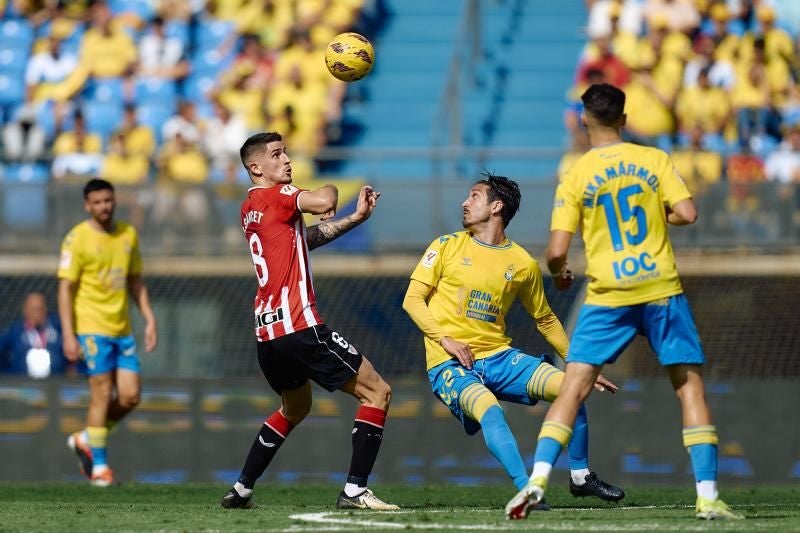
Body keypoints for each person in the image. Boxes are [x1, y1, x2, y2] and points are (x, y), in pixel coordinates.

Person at [504, 83, 743, 520]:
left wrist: (559, 273)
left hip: (608, 294)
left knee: (572, 389)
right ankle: (708, 497)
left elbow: (556, 251)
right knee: (689, 388)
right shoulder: (654, 160)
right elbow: (687, 213)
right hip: (660, 289)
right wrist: (656, 214)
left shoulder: (576, 173)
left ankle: (536, 481)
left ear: (584, 119)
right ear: (625, 119)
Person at [402, 173, 624, 509]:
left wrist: (578, 364)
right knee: (491, 412)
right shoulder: (445, 246)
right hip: (450, 363)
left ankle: (580, 476)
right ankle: (528, 490)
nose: (464, 202)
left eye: (474, 196)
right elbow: (412, 300)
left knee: (572, 390)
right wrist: (445, 340)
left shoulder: (522, 263)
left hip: (499, 358)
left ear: (496, 206)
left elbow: (545, 319)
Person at [220, 132, 398, 511]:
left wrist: (354, 218)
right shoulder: (279, 195)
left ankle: (241, 488)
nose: (286, 159)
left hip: (268, 336)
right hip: (299, 326)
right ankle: (355, 490)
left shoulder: (250, 207)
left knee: (296, 408)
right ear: (256, 168)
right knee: (377, 392)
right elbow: (326, 198)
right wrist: (330, 193)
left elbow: (304, 239)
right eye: (276, 154)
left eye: (286, 152)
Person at [58, 178, 158, 487]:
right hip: (91, 328)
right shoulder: (76, 238)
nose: (104, 206)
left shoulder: (127, 234)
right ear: (87, 206)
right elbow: (65, 288)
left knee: (130, 397)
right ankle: (99, 467)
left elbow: (135, 280)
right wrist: (68, 334)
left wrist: (149, 319)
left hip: (122, 328)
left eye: (108, 200)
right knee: (101, 393)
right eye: (98, 202)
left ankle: (88, 438)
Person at [0, 292, 70, 378]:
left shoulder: (57, 328)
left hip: (56, 381)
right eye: (34, 309)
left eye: (40, 309)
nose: (38, 313)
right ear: (25, 311)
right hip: (22, 382)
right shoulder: (14, 331)